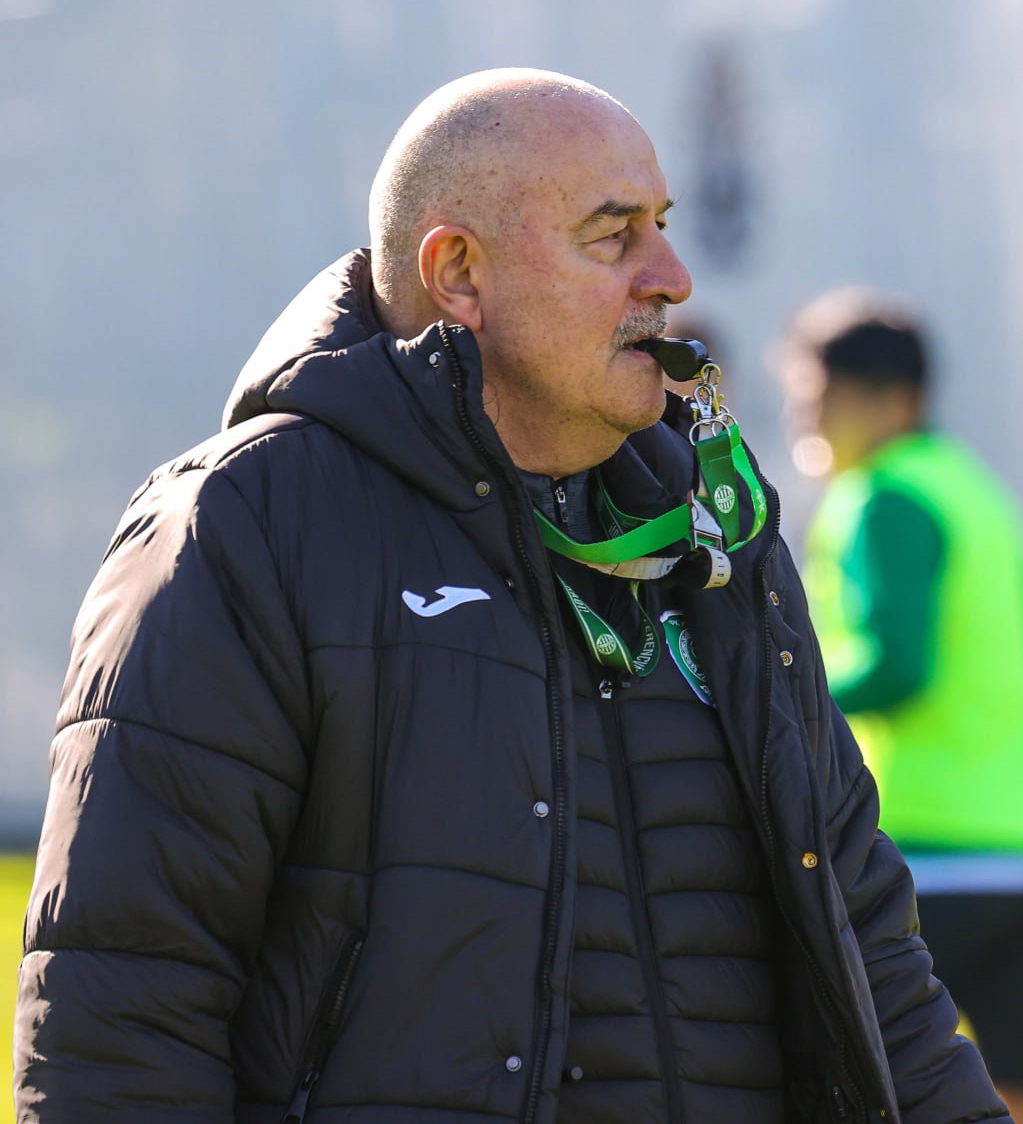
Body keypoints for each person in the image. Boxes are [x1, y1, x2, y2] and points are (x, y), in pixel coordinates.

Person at [13, 71, 1011, 1124]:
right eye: (613, 236)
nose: (671, 277)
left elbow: (874, 974)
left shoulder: (721, 535)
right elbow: (124, 1007)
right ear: (459, 273)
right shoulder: (243, 523)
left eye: (662, 226)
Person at [781, 287, 1023, 1119]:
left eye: (822, 395)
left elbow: (896, 667)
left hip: (927, 847)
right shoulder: (968, 485)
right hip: (1006, 844)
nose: (806, 416)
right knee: (1003, 1082)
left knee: (877, 1079)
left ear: (896, 403)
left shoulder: (884, 495)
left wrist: (781, 696)